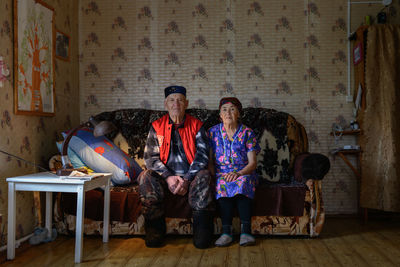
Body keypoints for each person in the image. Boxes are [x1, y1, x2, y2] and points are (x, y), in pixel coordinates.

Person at [137, 85, 214, 248]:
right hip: (166, 178)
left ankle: (202, 234)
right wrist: (168, 176)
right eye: (172, 100)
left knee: (205, 175)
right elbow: (150, 157)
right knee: (145, 176)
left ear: (186, 103)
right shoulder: (157, 126)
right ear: (166, 104)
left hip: (190, 178)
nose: (176, 104)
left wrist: (186, 179)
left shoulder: (197, 125)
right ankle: (155, 232)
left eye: (180, 100)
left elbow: (202, 156)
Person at [208, 97, 260, 247]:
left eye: (232, 109)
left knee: (243, 183)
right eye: (224, 109)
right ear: (220, 115)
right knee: (222, 184)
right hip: (221, 174)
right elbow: (210, 161)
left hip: (244, 172)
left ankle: (246, 232)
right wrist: (213, 176)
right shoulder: (212, 132)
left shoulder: (247, 133)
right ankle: (226, 233)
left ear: (238, 113)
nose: (228, 112)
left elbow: (253, 163)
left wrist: (238, 174)